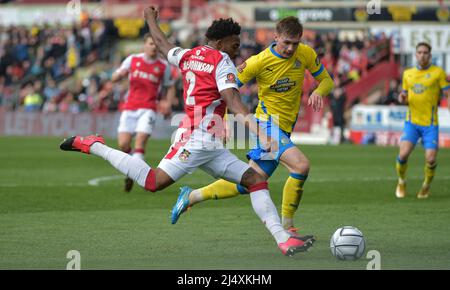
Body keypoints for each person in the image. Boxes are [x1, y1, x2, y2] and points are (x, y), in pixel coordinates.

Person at [59, 6, 314, 256]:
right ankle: (93, 145)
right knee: (153, 181)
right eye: (235, 44)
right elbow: (234, 101)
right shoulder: (222, 62)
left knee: (256, 181)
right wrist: (261, 135)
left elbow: (161, 44)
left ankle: (283, 240)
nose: (238, 50)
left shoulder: (188, 55)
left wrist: (150, 19)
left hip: (211, 141)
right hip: (197, 138)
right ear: (222, 42)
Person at [171, 16, 334, 236]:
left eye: (295, 43)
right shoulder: (258, 61)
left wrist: (318, 91)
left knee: (249, 182)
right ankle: (288, 228)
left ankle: (191, 196)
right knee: (301, 166)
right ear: (275, 37)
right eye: (286, 42)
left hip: (285, 127)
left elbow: (327, 80)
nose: (290, 48)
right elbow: (225, 91)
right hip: (267, 124)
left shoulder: (305, 53)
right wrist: (223, 122)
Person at [111, 33, 176, 192]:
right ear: (144, 45)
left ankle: (133, 175)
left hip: (148, 108)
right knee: (124, 144)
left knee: (139, 142)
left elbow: (170, 85)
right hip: (130, 107)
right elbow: (114, 77)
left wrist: (168, 102)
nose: (153, 47)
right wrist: (117, 76)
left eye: (155, 44)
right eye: (150, 44)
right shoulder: (133, 60)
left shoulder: (163, 66)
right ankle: (132, 167)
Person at [395, 42, 450, 199]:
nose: (422, 55)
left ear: (430, 55)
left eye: (425, 52)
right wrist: (402, 97)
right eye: (419, 52)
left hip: (430, 124)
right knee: (403, 154)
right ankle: (401, 181)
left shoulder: (438, 73)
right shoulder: (408, 74)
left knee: (431, 158)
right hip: (412, 122)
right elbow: (404, 95)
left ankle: (426, 185)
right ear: (416, 55)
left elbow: (447, 93)